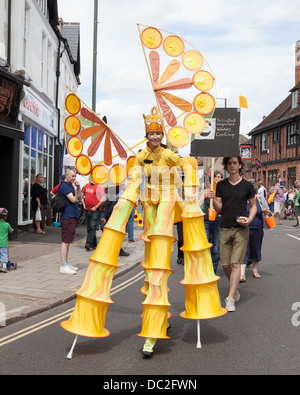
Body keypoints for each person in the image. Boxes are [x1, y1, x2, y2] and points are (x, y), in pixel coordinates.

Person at [207, 157, 257, 312]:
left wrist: (249, 219)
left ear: (240, 165)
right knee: (226, 265)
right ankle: (234, 289)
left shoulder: (247, 185)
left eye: (235, 163)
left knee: (236, 264)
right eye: (229, 163)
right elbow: (219, 208)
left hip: (241, 229)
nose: (232, 166)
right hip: (224, 228)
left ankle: (230, 298)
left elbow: (254, 206)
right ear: (226, 167)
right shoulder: (221, 185)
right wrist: (213, 199)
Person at [240, 183, 268, 281]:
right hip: (244, 228)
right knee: (244, 250)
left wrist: (265, 211)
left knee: (256, 249)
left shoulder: (259, 198)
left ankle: (255, 270)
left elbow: (267, 209)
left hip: (257, 228)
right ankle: (242, 274)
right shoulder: (242, 199)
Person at [59, 167, 83, 275]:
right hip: (67, 216)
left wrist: (78, 188)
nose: (74, 178)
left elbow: (79, 198)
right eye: (72, 176)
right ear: (67, 175)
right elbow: (73, 199)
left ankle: (66, 263)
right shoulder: (64, 186)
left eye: (75, 176)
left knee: (68, 241)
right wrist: (76, 190)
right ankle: (63, 265)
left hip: (71, 216)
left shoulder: (70, 186)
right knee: (65, 242)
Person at [201, 171, 223, 274]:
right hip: (206, 221)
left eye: (220, 177)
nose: (219, 179)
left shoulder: (222, 191)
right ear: (212, 178)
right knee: (205, 246)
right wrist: (204, 195)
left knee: (216, 248)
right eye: (217, 177)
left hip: (217, 221)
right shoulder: (206, 190)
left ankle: (212, 271)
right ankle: (205, 269)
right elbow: (199, 203)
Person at [101, 186, 129, 257]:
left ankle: (117, 250)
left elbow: (106, 208)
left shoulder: (111, 197)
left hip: (111, 219)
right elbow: (110, 210)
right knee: (114, 237)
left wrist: (105, 217)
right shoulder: (113, 199)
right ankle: (115, 252)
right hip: (113, 219)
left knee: (114, 237)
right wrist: (106, 217)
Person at [82, 176, 106, 251]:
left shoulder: (100, 187)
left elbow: (103, 198)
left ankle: (88, 243)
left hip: (95, 210)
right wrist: (83, 204)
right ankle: (94, 243)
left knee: (92, 226)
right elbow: (81, 195)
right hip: (87, 210)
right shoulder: (86, 186)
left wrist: (96, 207)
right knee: (89, 227)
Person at [0, 208, 14, 273]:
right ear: (5, 217)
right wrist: (12, 230)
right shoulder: (6, 224)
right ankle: (4, 267)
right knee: (4, 254)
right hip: (3, 243)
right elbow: (10, 230)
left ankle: (0, 265)